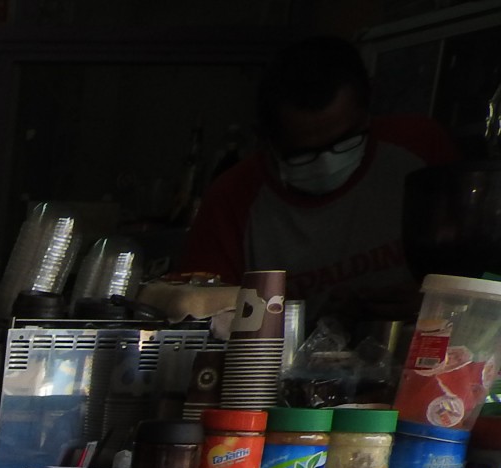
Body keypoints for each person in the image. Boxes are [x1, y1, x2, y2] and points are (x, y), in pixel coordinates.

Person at [180, 35, 455, 310]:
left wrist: (429, 302)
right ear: (267, 141)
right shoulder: (232, 199)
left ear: (366, 112)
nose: (327, 163)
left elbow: (474, 277)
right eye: (303, 154)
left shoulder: (419, 149)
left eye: (346, 142)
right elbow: (203, 315)